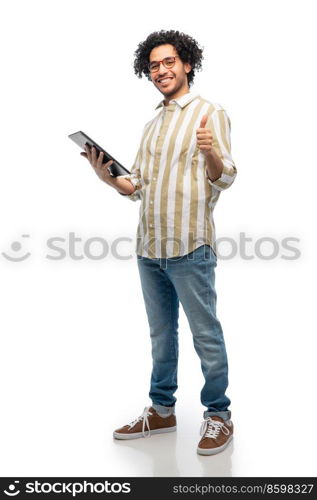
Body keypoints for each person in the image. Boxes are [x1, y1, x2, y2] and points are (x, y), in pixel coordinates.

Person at [81, 30, 237, 456]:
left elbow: (226, 176)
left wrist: (209, 154)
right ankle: (162, 411)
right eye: (153, 65)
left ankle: (218, 416)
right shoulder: (152, 125)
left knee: (206, 335)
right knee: (161, 335)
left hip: (190, 246)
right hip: (149, 249)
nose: (161, 71)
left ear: (187, 63)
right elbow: (139, 187)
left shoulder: (210, 112)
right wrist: (109, 177)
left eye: (169, 62)